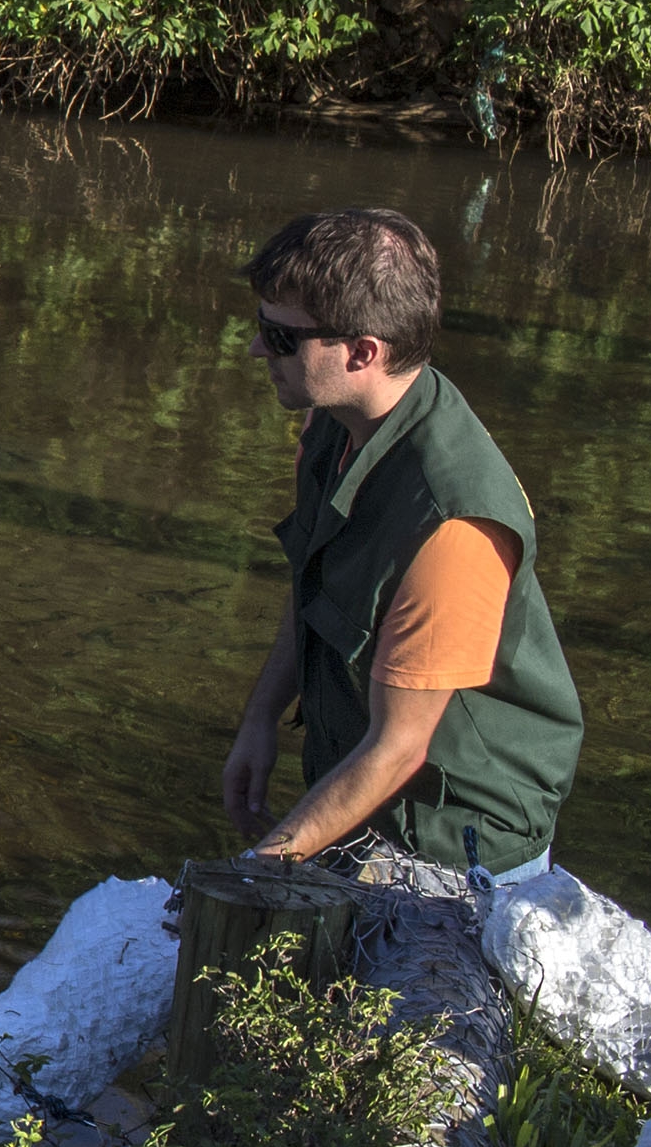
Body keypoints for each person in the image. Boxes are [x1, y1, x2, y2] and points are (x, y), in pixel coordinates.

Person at [222, 207, 579, 880]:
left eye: (279, 336)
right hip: (365, 803)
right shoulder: (334, 424)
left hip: (458, 845)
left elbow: (399, 747)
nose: (255, 350)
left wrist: (257, 870)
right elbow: (313, 586)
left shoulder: (454, 523)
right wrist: (261, 718)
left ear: (363, 352)